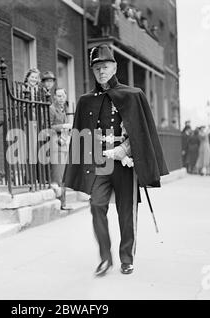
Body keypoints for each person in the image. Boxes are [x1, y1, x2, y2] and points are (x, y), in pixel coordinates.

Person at [63, 44, 168, 277]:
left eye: (105, 66)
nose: (101, 71)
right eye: (97, 67)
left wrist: (125, 148)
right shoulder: (85, 101)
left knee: (126, 212)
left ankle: (126, 258)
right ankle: (104, 258)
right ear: (92, 71)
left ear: (115, 67)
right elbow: (81, 136)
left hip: (124, 164)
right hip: (101, 164)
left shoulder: (133, 95)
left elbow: (142, 131)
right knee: (96, 206)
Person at [49, 88, 72, 209]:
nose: (61, 98)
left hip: (63, 143)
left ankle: (63, 203)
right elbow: (49, 126)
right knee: (58, 175)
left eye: (62, 96)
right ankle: (60, 203)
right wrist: (64, 126)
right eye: (58, 96)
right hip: (55, 144)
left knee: (63, 175)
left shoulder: (63, 110)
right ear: (54, 97)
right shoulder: (51, 109)